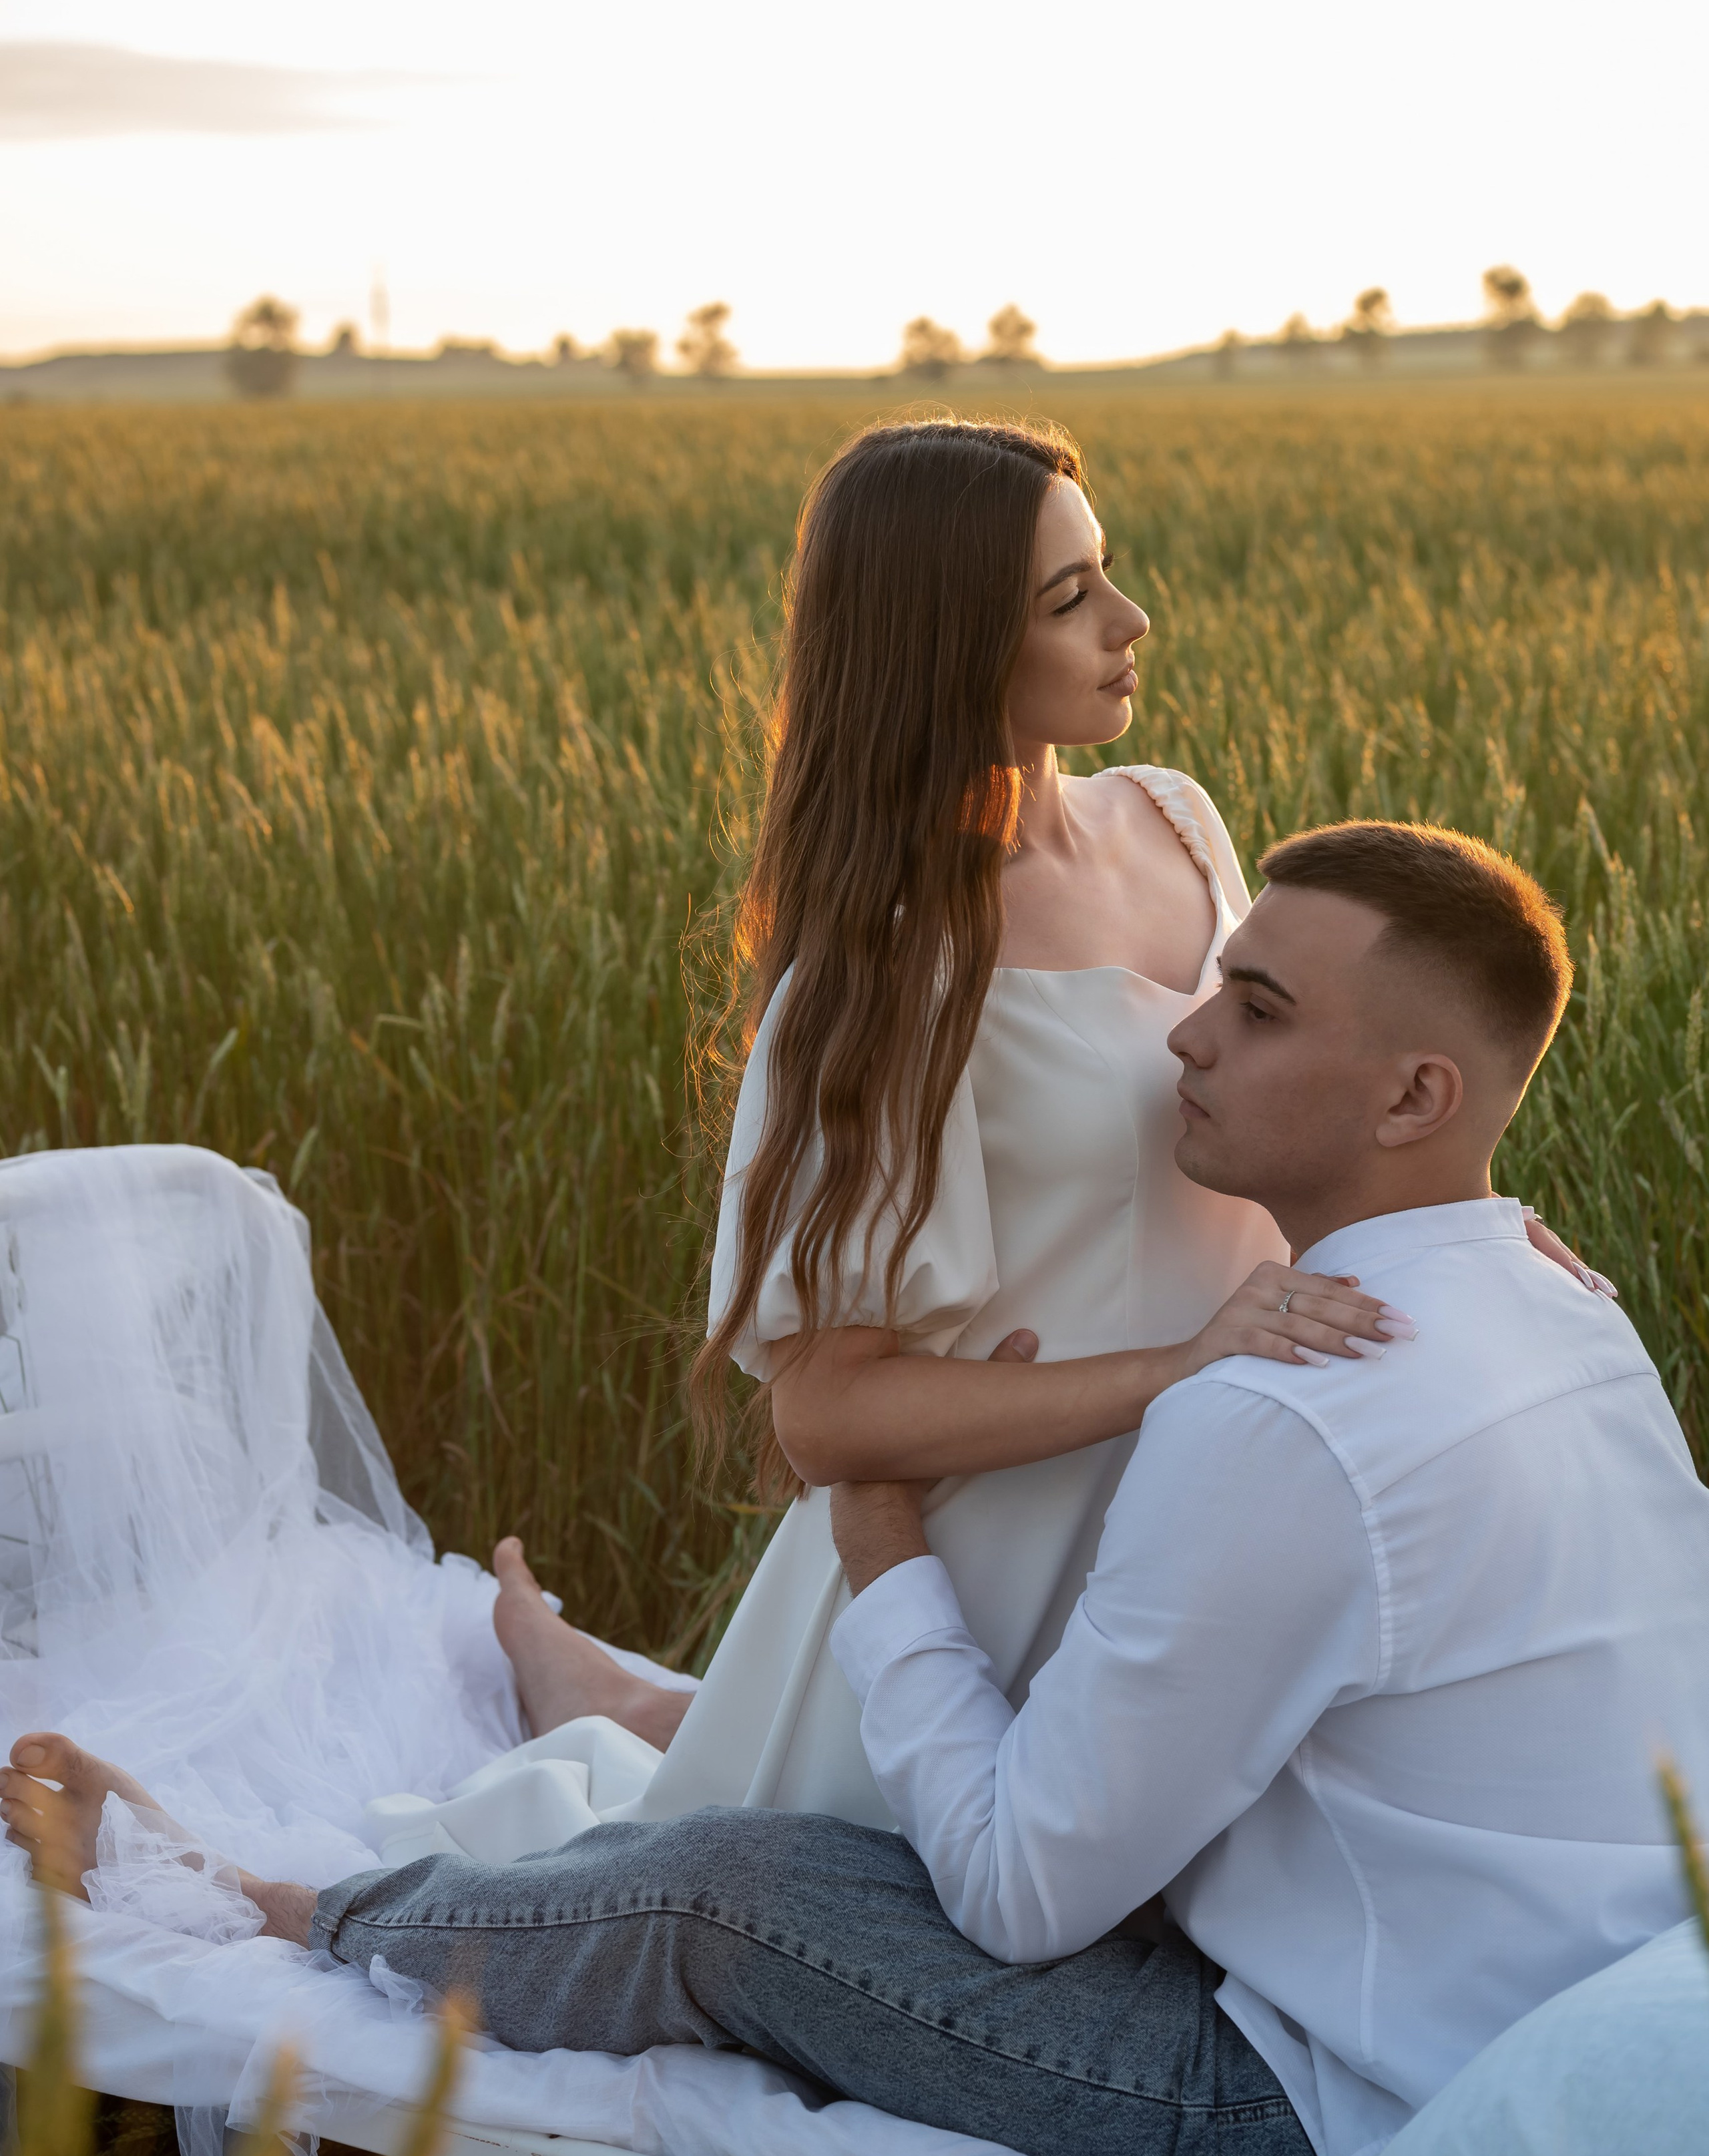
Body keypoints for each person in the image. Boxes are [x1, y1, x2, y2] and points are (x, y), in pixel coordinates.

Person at [11, 820, 1702, 2156]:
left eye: (1251, 1010)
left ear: (1412, 1100)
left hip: (1343, 2105)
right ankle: (606, 1721)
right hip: (1583, 1989)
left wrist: (883, 1530)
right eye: (1210, 986)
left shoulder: (1279, 1416)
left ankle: (259, 1901)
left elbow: (1020, 1891)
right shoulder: (1566, 1317)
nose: (1182, 1037)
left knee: (728, 1893)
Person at [476, 417, 1571, 1824]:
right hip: (993, 1564)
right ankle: (572, 1729)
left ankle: (611, 1695)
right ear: (945, 646)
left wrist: (1462, 1236)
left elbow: (1311, 1112)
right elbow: (820, 1414)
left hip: (1218, 1523)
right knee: (646, 1907)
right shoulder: (881, 969)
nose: (1129, 619)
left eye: (1103, 571)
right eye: (1066, 600)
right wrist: (1175, 1367)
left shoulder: (1173, 821)